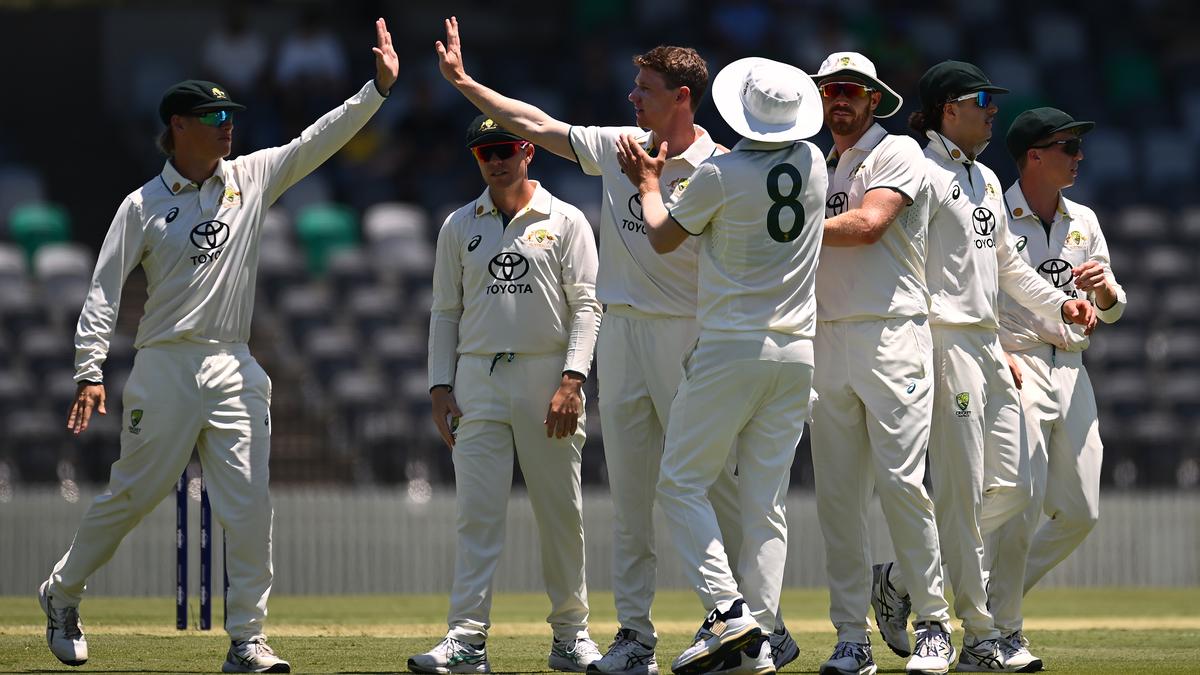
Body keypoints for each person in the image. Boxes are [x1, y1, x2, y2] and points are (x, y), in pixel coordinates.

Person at [434, 17, 800, 674]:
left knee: (707, 489)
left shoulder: (720, 166)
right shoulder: (620, 144)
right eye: (634, 89)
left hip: (690, 336)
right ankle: (634, 636)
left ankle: (753, 624)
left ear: (681, 97)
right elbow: (538, 124)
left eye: (646, 89)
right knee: (632, 497)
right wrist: (466, 84)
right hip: (623, 332)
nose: (633, 99)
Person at [38, 19, 399, 674]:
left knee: (249, 504)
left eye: (230, 114)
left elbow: (317, 141)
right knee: (131, 496)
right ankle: (61, 592)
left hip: (234, 362)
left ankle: (247, 640)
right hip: (165, 363)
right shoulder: (141, 205)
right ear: (178, 125)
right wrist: (89, 368)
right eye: (212, 116)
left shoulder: (251, 177)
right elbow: (102, 291)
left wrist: (374, 90)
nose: (228, 125)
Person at [871, 61, 1096, 672]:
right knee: (964, 493)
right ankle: (974, 635)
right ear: (949, 109)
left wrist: (1062, 303)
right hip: (942, 343)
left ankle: (901, 577)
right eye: (981, 101)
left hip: (988, 346)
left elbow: (1008, 269)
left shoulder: (987, 181)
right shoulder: (917, 169)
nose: (993, 111)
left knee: (1018, 491)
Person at [616, 56, 826, 675]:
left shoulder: (719, 173)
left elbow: (659, 236)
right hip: (796, 355)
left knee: (680, 482)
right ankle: (757, 641)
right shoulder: (814, 165)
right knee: (765, 504)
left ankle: (727, 609)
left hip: (732, 348)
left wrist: (649, 186)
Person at [407, 114, 603, 675]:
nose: (495, 160)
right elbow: (446, 310)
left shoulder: (565, 219)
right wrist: (439, 385)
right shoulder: (458, 225)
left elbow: (588, 305)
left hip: (548, 380)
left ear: (528, 151)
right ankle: (466, 640)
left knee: (560, 514)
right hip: (477, 381)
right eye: (484, 152)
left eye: (504, 149)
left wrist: (572, 379)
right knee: (477, 516)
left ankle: (571, 637)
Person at [806, 52, 955, 675]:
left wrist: (779, 226)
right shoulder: (814, 164)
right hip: (825, 338)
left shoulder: (898, 151)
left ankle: (933, 625)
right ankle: (850, 637)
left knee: (901, 485)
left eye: (852, 91)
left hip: (892, 335)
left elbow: (870, 224)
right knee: (838, 499)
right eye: (830, 90)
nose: (839, 99)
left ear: (873, 100)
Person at [987, 107, 1125, 668]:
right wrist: (994, 353)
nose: (1079, 157)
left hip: (1072, 366)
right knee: (1019, 500)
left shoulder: (1084, 220)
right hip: (1015, 363)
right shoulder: (993, 213)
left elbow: (1112, 309)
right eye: (1068, 147)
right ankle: (1002, 628)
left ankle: (918, 581)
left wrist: (1107, 295)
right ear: (1034, 155)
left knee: (1080, 511)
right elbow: (971, 296)